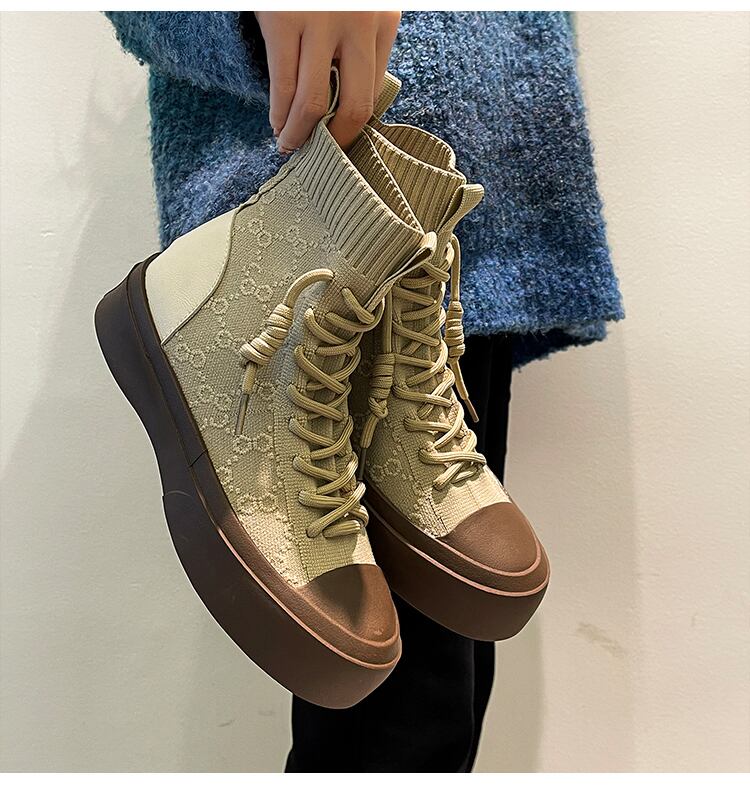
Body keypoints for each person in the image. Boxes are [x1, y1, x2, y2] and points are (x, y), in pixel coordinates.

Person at [105, 11, 623, 772]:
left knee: (444, 700)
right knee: (402, 724)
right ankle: (214, 300)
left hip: (459, 230)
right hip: (298, 212)